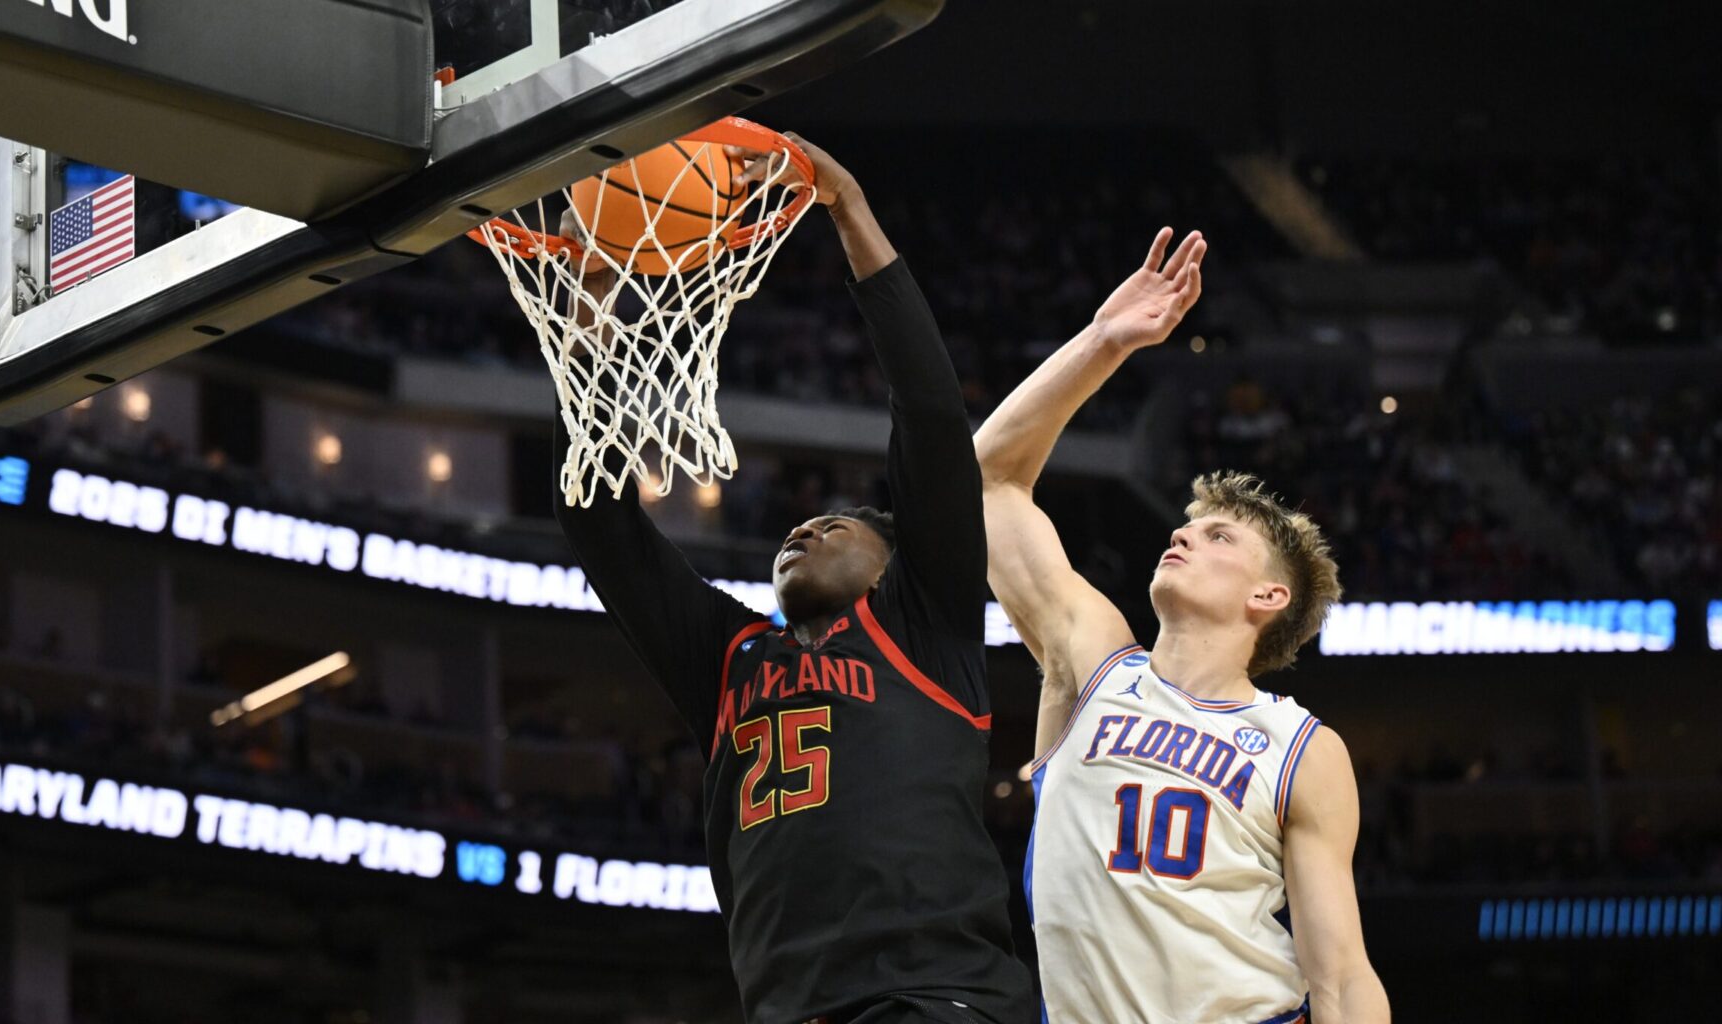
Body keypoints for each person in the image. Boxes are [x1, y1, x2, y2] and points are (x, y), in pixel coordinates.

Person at [552, 135, 1034, 1024]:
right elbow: (600, 523)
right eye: (799, 529)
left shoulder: (924, 624)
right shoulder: (732, 661)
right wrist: (589, 315)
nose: (803, 528)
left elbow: (929, 417)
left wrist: (850, 210)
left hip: (937, 999)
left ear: (897, 564)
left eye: (837, 525)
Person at [975, 228, 1389, 1023]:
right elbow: (988, 482)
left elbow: (1340, 972)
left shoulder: (1300, 748)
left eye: (1217, 536)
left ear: (1267, 598)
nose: (1183, 534)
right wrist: (1102, 343)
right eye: (1188, 526)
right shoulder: (1091, 664)